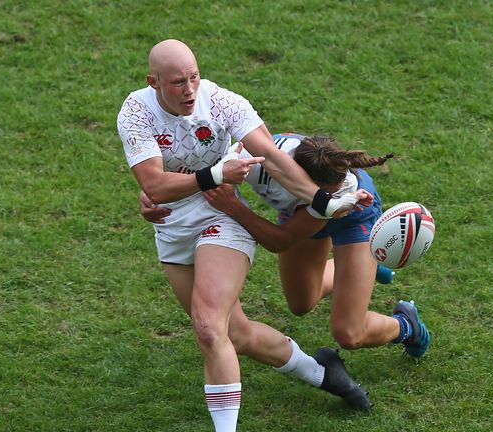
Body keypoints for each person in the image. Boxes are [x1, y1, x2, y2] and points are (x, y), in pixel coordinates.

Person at [117, 40, 372, 432]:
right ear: (153, 82)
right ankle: (324, 373)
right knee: (234, 333)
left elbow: (271, 156)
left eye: (193, 77)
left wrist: (326, 202)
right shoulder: (136, 111)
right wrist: (215, 175)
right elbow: (153, 183)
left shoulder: (222, 102)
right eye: (177, 83)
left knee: (207, 325)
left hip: (223, 215)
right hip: (171, 227)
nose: (189, 90)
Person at [141, 133, 431, 359]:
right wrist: (153, 197)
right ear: (297, 179)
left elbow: (279, 241)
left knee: (349, 334)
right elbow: (194, 168)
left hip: (354, 221)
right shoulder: (257, 156)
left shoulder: (346, 192)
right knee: (301, 303)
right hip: (298, 217)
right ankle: (360, 269)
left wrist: (235, 207)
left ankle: (406, 325)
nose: (327, 201)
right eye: (319, 196)